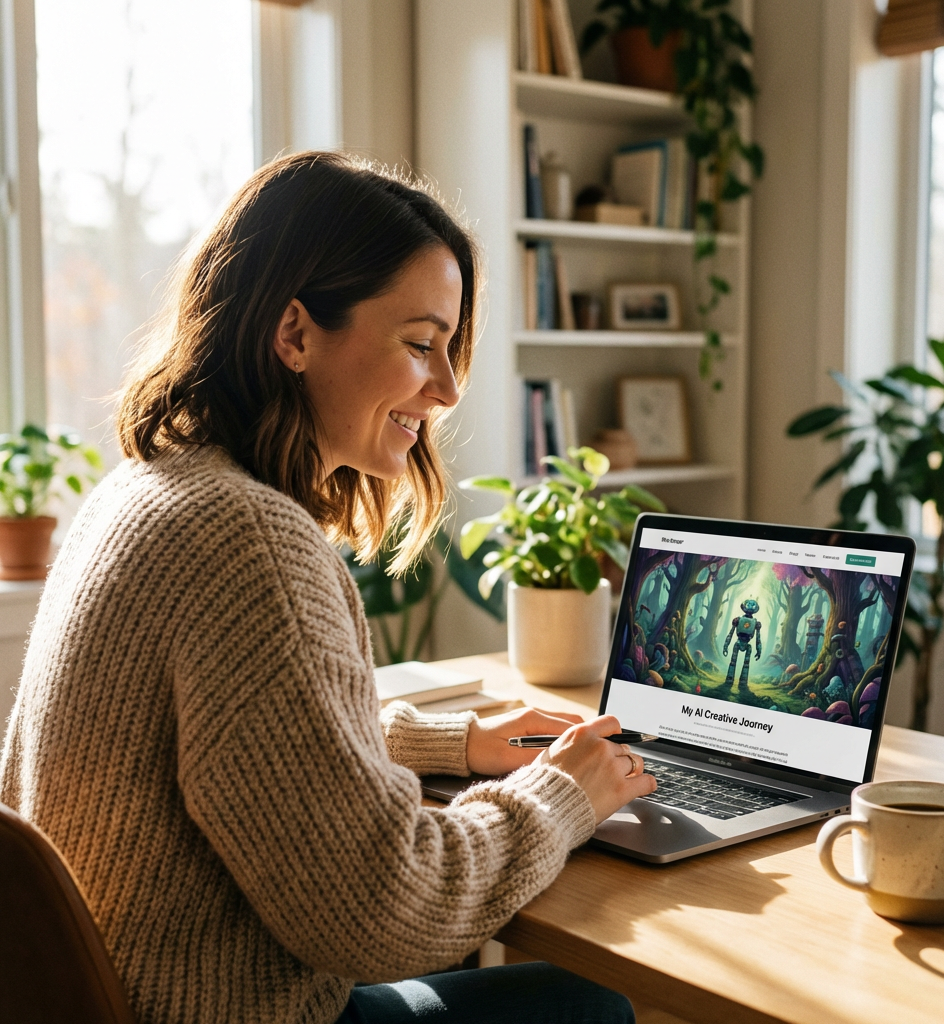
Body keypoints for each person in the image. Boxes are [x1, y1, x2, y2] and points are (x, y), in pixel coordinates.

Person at [0, 152, 656, 1024]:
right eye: (422, 344)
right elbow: (385, 912)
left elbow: (252, 747)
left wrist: (447, 748)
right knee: (593, 1005)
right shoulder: (249, 542)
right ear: (296, 333)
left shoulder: (148, 487)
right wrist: (562, 795)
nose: (450, 388)